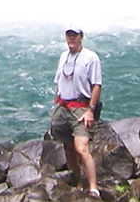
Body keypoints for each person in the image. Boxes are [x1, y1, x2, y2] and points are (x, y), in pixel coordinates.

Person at [50, 25, 102, 198]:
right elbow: (60, 82)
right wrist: (55, 106)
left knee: (82, 148)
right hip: (62, 107)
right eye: (68, 35)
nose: (71, 38)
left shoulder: (91, 58)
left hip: (81, 108)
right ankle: (78, 183)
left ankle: (93, 188)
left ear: (81, 37)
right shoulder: (63, 56)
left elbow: (96, 85)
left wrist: (91, 110)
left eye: (75, 35)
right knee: (68, 147)